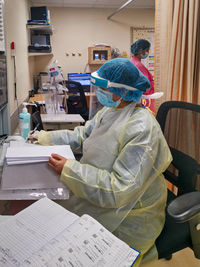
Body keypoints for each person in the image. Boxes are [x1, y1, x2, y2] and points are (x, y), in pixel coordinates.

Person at [29, 58, 172, 266]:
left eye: (103, 88)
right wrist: (44, 138)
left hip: (133, 214)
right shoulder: (112, 111)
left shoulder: (142, 129)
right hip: (101, 194)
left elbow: (120, 190)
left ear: (122, 92)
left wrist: (70, 169)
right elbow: (82, 135)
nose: (97, 92)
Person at [130, 39, 155, 114]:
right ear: (141, 51)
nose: (147, 53)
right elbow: (146, 86)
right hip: (145, 99)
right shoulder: (138, 65)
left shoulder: (132, 61)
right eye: (147, 50)